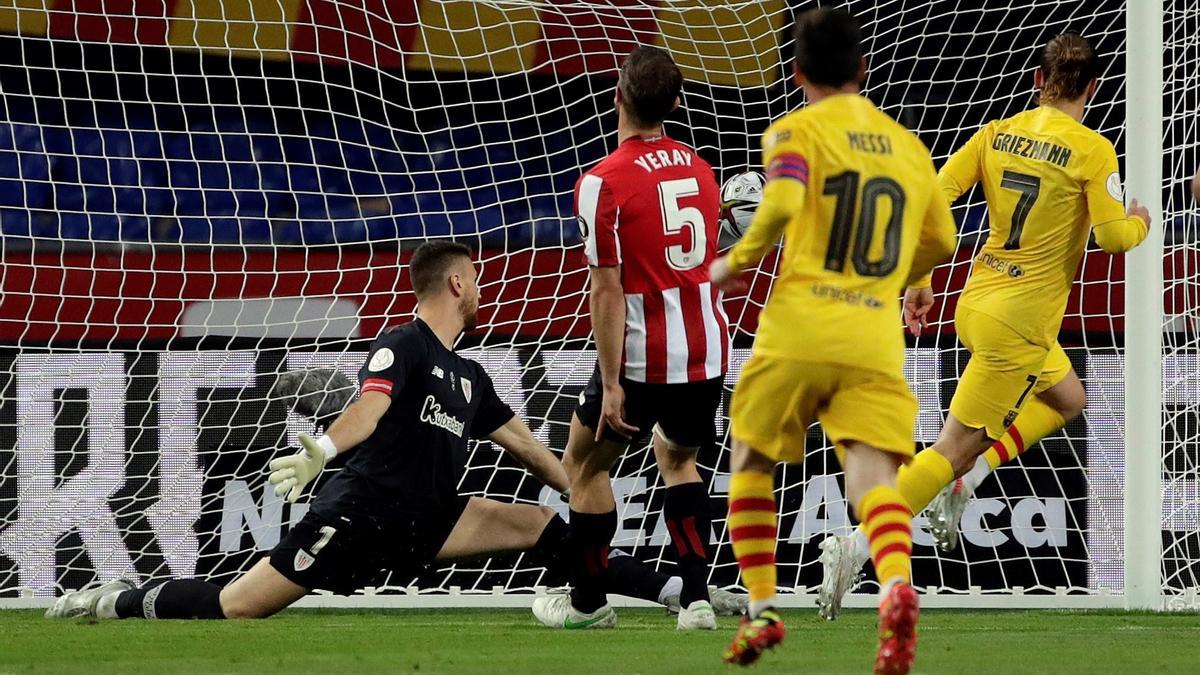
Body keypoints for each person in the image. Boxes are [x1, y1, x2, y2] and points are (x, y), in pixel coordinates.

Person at [45, 241, 720, 621]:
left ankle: (675, 591)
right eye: (478, 281)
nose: (483, 292)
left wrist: (591, 481)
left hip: (430, 520)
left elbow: (536, 455)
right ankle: (115, 601)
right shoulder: (404, 345)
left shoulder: (472, 377)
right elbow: (367, 410)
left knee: (544, 525)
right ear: (456, 283)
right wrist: (325, 448)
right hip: (361, 514)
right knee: (236, 606)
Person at [818, 32, 1152, 619]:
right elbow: (1111, 238)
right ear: (1094, 89)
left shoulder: (997, 133)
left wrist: (919, 279)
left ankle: (964, 487)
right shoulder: (1095, 150)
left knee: (1069, 397)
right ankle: (857, 547)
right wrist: (1141, 220)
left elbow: (936, 197)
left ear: (1038, 83)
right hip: (1019, 325)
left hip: (975, 301)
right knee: (955, 446)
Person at [710, 8, 957, 672]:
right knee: (873, 476)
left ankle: (763, 607)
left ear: (796, 75)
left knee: (751, 458)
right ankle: (898, 586)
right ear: (863, 70)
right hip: (872, 335)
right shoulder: (907, 146)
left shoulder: (794, 128)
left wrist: (736, 262)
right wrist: (910, 277)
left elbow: (785, 200)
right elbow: (942, 239)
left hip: (798, 324)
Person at [531, 45, 730, 631]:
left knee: (584, 467)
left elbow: (607, 291)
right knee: (680, 460)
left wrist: (613, 381)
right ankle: (695, 602)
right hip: (705, 349)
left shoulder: (602, 182)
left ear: (617, 97)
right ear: (674, 103)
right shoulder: (698, 165)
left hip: (643, 357)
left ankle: (590, 606)